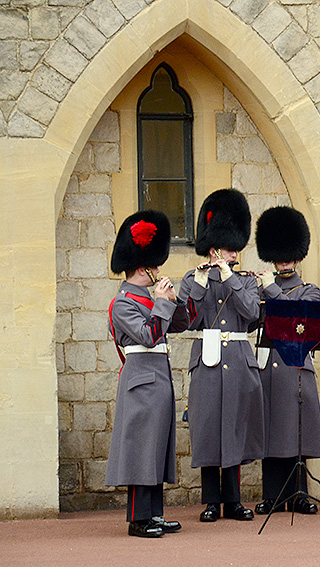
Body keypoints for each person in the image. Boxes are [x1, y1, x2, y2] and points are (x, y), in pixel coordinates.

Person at [178, 189, 264, 523]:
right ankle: (211, 501)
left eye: (235, 248)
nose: (234, 253)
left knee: (234, 429)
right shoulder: (192, 279)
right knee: (209, 428)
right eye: (228, 248)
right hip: (208, 361)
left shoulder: (245, 281)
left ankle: (234, 501)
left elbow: (252, 313)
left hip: (238, 360)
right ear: (214, 248)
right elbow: (189, 321)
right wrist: (201, 284)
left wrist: (229, 278)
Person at [105, 210, 189, 538]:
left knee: (156, 449)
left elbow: (179, 325)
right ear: (143, 269)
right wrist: (162, 303)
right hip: (141, 382)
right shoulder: (123, 303)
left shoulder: (150, 299)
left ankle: (154, 514)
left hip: (158, 380)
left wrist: (173, 301)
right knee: (141, 450)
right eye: (155, 267)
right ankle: (138, 519)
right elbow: (149, 335)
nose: (158, 272)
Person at [252, 206, 320, 515]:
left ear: (297, 258)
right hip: (269, 367)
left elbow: (296, 321)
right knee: (271, 432)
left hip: (294, 367)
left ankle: (299, 495)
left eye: (288, 257)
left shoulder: (309, 290)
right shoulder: (260, 288)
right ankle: (273, 495)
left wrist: (270, 289)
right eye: (279, 257)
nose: (284, 262)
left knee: (296, 432)